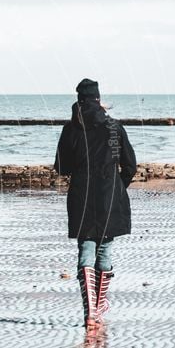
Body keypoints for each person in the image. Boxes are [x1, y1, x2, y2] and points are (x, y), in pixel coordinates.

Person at [54, 78, 137, 330]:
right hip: (110, 195)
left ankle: (90, 312)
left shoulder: (71, 129)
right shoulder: (114, 126)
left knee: (86, 250)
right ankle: (98, 308)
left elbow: (61, 167)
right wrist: (118, 185)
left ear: (78, 101)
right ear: (99, 100)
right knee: (104, 251)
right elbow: (130, 166)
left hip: (81, 196)